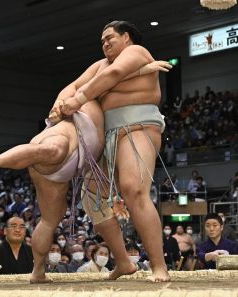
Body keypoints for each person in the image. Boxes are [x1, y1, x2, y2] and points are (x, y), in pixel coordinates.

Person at [0, 57, 171, 282]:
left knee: (49, 219)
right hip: (69, 144)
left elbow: (106, 79)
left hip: (71, 161)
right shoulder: (86, 94)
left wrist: (140, 70)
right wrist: (142, 70)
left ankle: (38, 271)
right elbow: (107, 78)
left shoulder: (84, 94)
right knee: (48, 151)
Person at [58, 20, 171, 281]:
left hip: (138, 127)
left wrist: (77, 100)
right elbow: (74, 85)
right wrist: (59, 104)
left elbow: (112, 76)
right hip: (108, 134)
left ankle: (159, 266)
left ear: (127, 37)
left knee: (133, 188)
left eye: (110, 38)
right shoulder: (100, 66)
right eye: (102, 41)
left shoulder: (136, 52)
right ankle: (123, 262)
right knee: (92, 198)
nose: (105, 43)